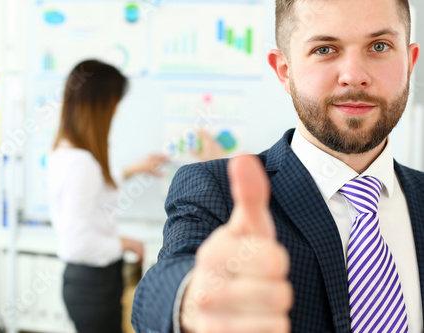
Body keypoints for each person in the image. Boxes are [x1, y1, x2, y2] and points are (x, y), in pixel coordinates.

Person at [132, 0, 423, 332]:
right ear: (284, 71)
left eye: (380, 46)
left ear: (410, 62)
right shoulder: (215, 189)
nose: (354, 76)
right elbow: (162, 285)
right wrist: (194, 301)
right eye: (325, 48)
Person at [46, 59, 168, 333]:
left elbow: (91, 190)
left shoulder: (68, 153)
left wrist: (133, 169)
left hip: (89, 283)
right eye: (114, 104)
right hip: (92, 285)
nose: (116, 112)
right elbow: (76, 244)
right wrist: (122, 242)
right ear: (100, 105)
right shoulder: (81, 164)